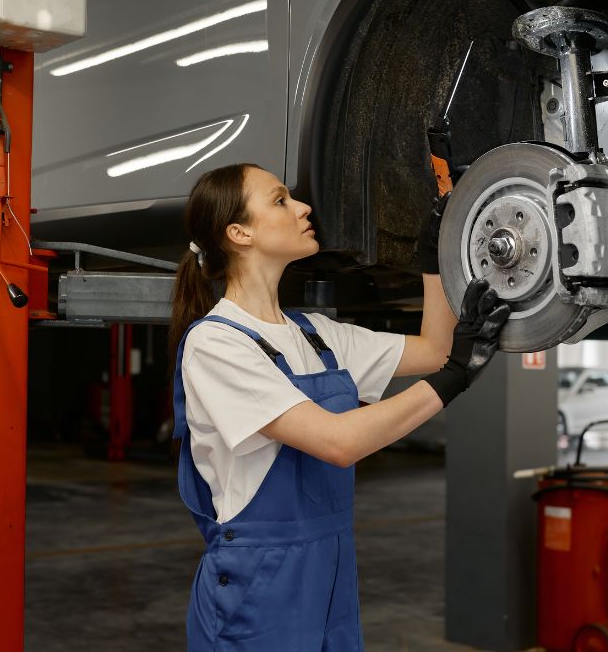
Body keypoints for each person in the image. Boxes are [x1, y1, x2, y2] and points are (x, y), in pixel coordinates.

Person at [169, 162, 510, 650]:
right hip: (259, 585)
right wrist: (456, 377)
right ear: (239, 232)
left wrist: (435, 255)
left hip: (330, 574)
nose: (304, 207)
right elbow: (337, 441)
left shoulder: (317, 334)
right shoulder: (216, 344)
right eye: (281, 200)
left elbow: (435, 349)